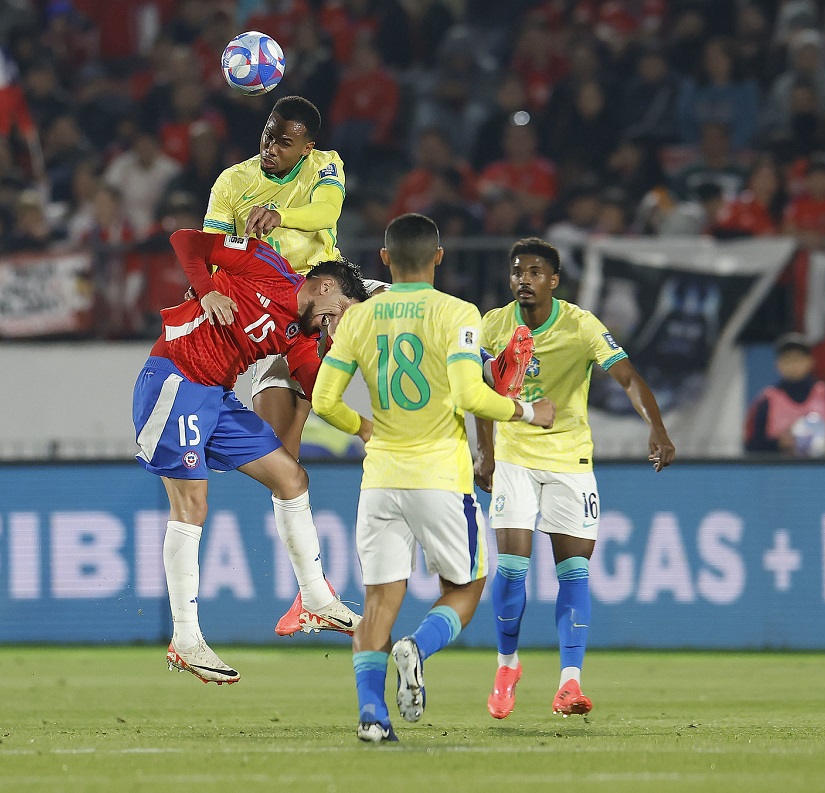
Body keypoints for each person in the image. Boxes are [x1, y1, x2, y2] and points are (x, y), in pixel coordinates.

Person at [309, 213, 550, 743]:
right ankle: (416, 648)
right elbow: (469, 396)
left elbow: (324, 402)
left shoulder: (357, 319)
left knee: (376, 603)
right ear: (439, 257)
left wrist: (362, 426)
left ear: (385, 259)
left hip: (380, 481)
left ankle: (372, 716)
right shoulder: (458, 313)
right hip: (440, 475)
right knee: (466, 586)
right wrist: (528, 413)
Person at [132, 229, 369, 684]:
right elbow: (185, 240)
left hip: (216, 398)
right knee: (192, 505)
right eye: (339, 310)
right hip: (174, 380)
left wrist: (341, 353)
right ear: (324, 286)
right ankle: (185, 638)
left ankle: (316, 599)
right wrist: (205, 294)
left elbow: (320, 394)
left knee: (292, 478)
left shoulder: (301, 336)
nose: (335, 320)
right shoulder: (266, 263)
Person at [475, 237, 675, 720]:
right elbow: (478, 389)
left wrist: (657, 428)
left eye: (536, 271)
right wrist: (487, 453)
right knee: (513, 568)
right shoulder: (492, 325)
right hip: (516, 456)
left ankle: (570, 683)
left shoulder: (581, 325)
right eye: (518, 270)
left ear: (554, 280)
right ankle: (507, 666)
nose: (525, 278)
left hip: (570, 460)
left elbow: (627, 377)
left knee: (575, 573)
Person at [202, 95, 382, 459]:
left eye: (284, 143)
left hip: (330, 288)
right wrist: (210, 289)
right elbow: (211, 249)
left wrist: (279, 214)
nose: (271, 148)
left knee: (411, 304)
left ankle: (489, 363)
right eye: (268, 136)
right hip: (276, 311)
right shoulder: (232, 182)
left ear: (306, 148)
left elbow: (328, 212)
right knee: (281, 455)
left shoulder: (324, 164)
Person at [745, 333, 825, 455]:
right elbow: (751, 443)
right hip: (779, 469)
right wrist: (778, 443)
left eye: (798, 359)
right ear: (778, 364)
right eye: (787, 360)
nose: (793, 365)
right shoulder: (767, 399)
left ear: (810, 361)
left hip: (821, 468)